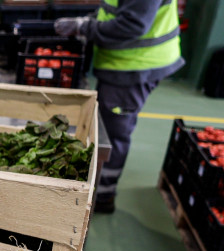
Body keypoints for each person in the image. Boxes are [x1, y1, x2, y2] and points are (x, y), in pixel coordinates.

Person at [55, 0, 183, 213]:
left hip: (134, 66)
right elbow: (115, 9)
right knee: (105, 126)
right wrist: (91, 20)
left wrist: (83, 26)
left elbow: (132, 24)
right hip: (123, 61)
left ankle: (103, 195)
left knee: (113, 133)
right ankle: (99, 186)